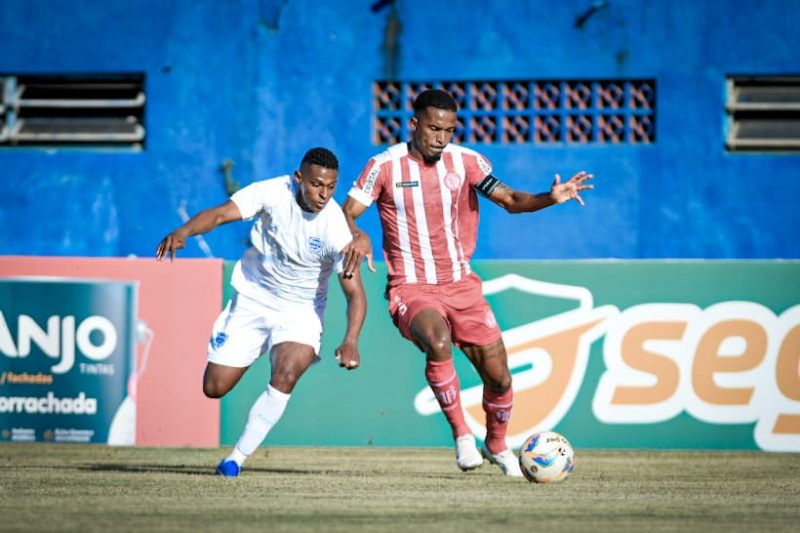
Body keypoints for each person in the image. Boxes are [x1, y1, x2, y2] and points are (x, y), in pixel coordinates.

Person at [341, 89, 593, 477]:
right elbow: (348, 212)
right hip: (411, 286)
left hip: (462, 285)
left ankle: (496, 444)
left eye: (449, 130)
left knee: (499, 376)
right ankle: (462, 435)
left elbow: (509, 198)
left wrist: (550, 197)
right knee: (438, 341)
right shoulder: (384, 165)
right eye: (433, 128)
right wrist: (356, 233)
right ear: (414, 125)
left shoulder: (467, 162)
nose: (441, 138)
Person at [156, 147, 366, 477]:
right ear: (299, 178)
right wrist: (183, 232)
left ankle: (235, 459)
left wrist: (351, 339)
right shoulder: (271, 192)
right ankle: (247, 351)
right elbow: (220, 214)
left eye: (330, 187)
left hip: (300, 312)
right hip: (254, 299)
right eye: (315, 185)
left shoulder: (335, 227)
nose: (323, 194)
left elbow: (355, 294)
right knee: (214, 387)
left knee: (286, 373)